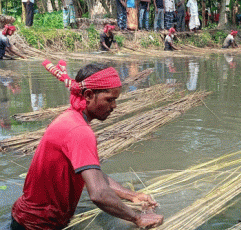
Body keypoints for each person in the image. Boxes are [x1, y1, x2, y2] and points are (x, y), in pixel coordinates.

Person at [11, 60, 163, 230]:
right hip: (37, 225)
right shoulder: (79, 131)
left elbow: (96, 177)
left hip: (26, 219)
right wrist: (137, 218)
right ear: (89, 95)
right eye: (110, 99)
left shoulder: (70, 118)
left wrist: (132, 196)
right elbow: (98, 193)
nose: (114, 106)